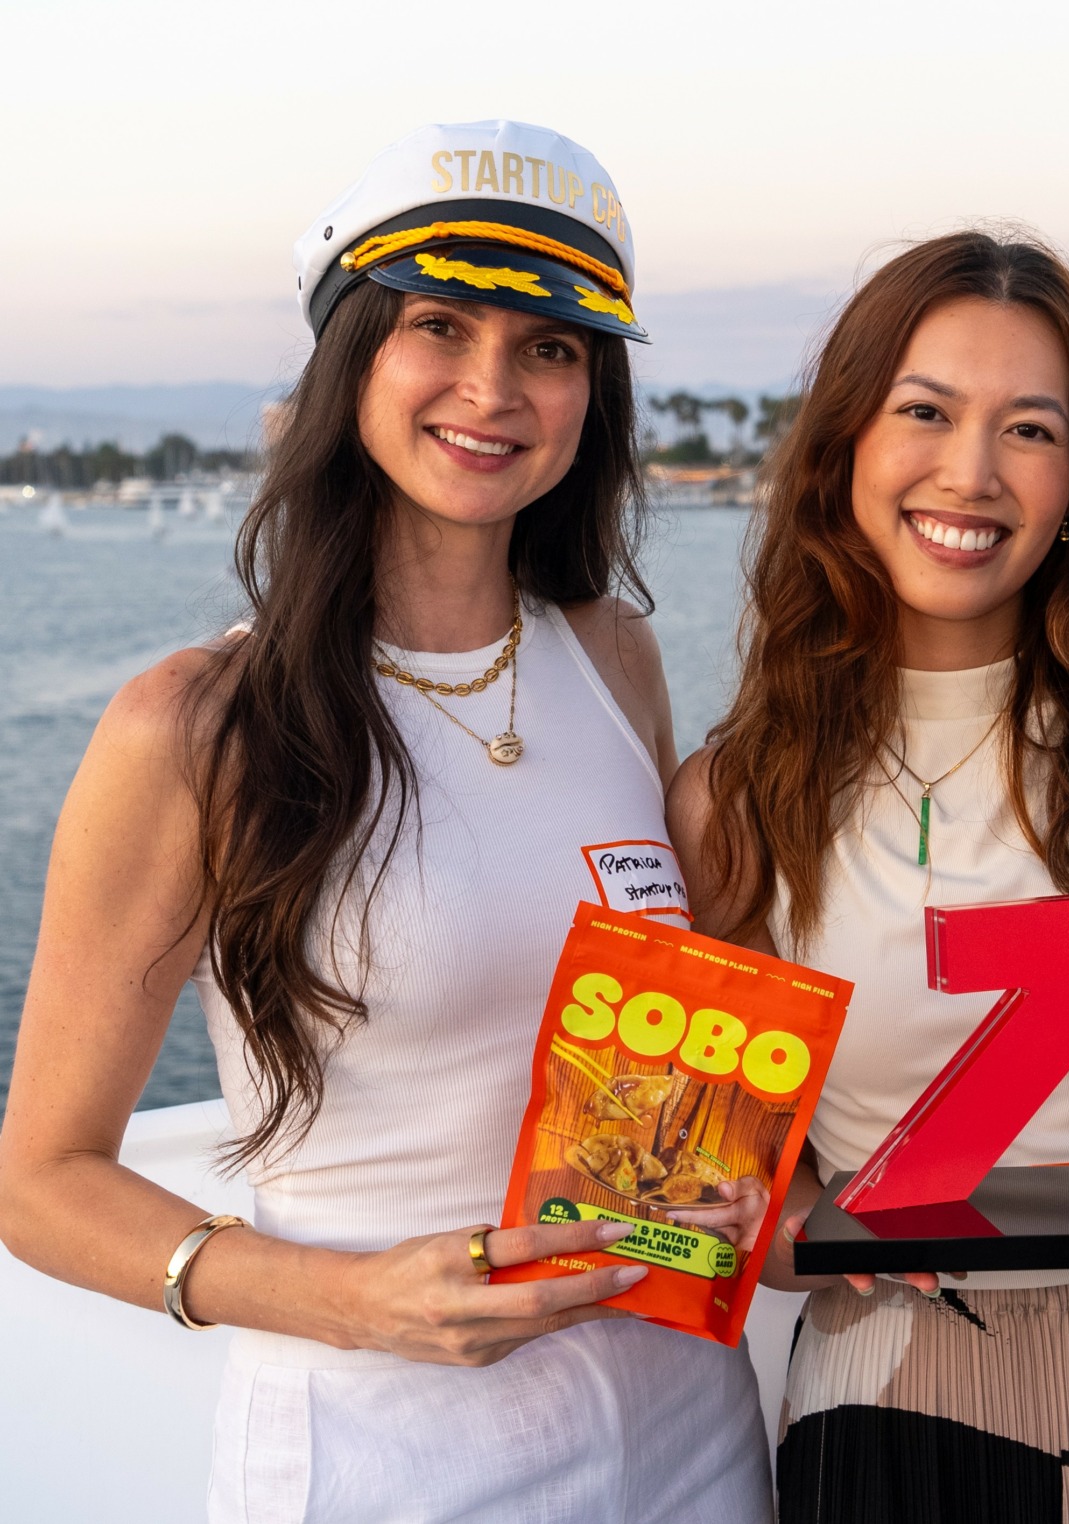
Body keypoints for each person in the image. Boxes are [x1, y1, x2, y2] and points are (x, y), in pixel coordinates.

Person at [0, 121, 772, 1523]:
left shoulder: (614, 657)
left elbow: (655, 1039)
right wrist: (351, 1300)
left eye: (550, 346)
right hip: (391, 1458)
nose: (494, 386)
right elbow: (41, 1182)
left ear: (592, 393)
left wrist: (722, 1175)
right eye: (440, 325)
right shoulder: (196, 727)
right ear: (352, 354)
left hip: (694, 1436)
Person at [667, 230, 1069, 1523]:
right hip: (885, 1407)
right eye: (925, 411)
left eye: (1029, 429)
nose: (971, 472)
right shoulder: (736, 801)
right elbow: (743, 1199)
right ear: (845, 445)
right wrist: (800, 1235)